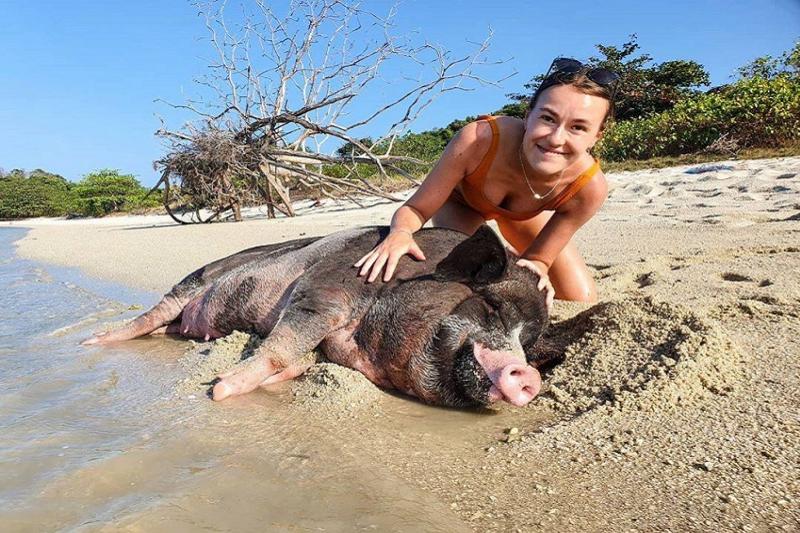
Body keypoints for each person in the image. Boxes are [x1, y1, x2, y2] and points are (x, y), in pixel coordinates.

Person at [354, 58, 620, 310]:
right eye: (547, 118)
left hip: (521, 218)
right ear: (528, 115)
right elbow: (417, 210)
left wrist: (532, 268)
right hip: (462, 205)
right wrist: (400, 233)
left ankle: (507, 254)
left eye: (578, 127)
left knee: (580, 298)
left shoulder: (588, 188)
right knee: (472, 280)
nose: (556, 138)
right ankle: (500, 254)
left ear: (597, 135)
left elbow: (539, 260)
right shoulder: (479, 139)